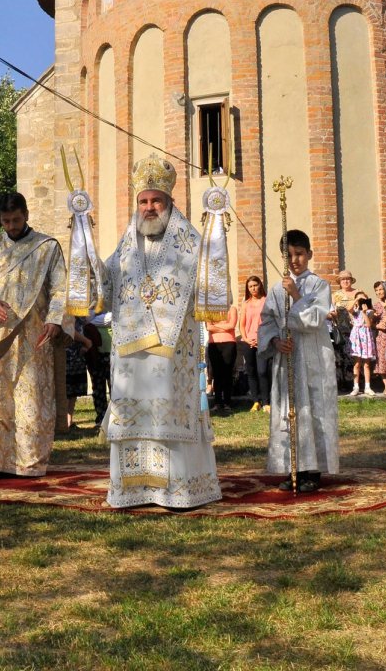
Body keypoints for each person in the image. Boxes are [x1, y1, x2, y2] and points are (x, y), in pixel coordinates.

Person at [99, 155, 222, 509]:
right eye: (143, 201)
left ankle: (177, 490)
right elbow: (105, 286)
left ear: (169, 203)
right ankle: (132, 491)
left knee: (170, 414)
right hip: (130, 355)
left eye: (156, 201)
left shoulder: (190, 243)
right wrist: (86, 254)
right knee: (134, 413)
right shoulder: (126, 246)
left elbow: (209, 288)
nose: (149, 208)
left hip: (172, 352)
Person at [0, 192, 68, 478]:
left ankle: (28, 462)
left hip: (34, 334)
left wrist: (55, 319)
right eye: (5, 221)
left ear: (26, 215)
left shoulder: (46, 247)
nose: (11, 226)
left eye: (16, 219)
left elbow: (60, 287)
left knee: (31, 397)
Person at [259, 230, 339, 492]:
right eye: (288, 255)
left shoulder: (319, 285)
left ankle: (312, 472)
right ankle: (292, 467)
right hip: (287, 358)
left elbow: (316, 319)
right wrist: (274, 341)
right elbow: (267, 320)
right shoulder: (274, 289)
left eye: (299, 254)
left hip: (312, 358)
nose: (294, 260)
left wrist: (295, 295)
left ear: (309, 255)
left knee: (312, 411)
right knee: (290, 413)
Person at [238, 276, 271, 412]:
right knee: (251, 372)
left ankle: (266, 402)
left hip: (262, 341)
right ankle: (256, 401)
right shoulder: (245, 303)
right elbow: (242, 324)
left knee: (262, 371)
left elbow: (270, 322)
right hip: (248, 342)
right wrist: (246, 339)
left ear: (260, 285)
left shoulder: (266, 301)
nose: (253, 288)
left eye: (255, 285)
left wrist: (261, 339)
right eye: (250, 286)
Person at [328, 270, 358, 391]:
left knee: (353, 357)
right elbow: (332, 311)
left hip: (356, 329)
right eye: (343, 279)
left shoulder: (358, 293)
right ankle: (342, 383)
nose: (345, 281)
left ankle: (353, 383)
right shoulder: (335, 295)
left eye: (348, 279)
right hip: (341, 330)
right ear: (340, 282)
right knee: (340, 357)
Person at [206, 302, 239, 412]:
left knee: (227, 373)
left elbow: (232, 325)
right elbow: (208, 327)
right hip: (214, 343)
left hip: (229, 343)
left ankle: (227, 403)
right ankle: (217, 402)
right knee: (216, 373)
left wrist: (216, 327)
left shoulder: (232, 309)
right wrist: (224, 328)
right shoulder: (209, 310)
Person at [347, 291, 377, 396]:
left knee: (367, 364)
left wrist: (364, 312)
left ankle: (367, 387)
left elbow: (368, 325)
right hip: (356, 337)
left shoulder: (370, 312)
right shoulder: (355, 311)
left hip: (366, 337)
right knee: (357, 363)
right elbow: (348, 309)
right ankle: (356, 387)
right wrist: (356, 299)